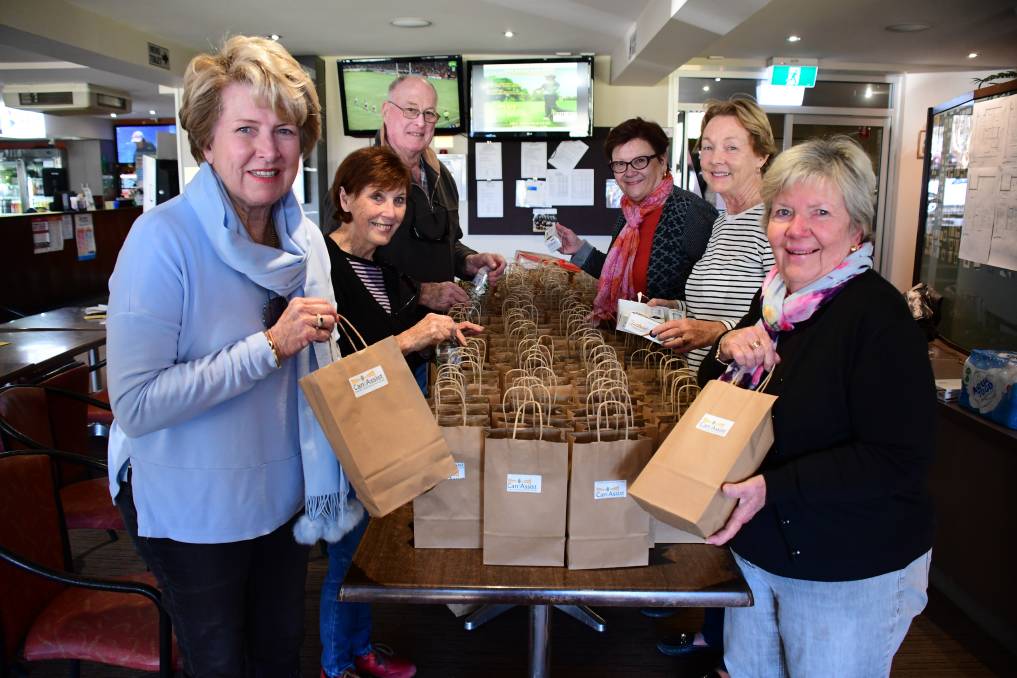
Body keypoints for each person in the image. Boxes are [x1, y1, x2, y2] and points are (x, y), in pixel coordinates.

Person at [106, 36, 352, 677]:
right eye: (245, 129)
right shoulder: (163, 241)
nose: (268, 151)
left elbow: (316, 373)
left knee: (278, 654)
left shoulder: (305, 242)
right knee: (220, 663)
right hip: (193, 504)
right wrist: (268, 347)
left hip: (284, 490)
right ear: (206, 141)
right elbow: (134, 405)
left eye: (286, 131)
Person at [699, 136, 935, 677]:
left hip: (848, 566)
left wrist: (772, 487)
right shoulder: (774, 303)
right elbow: (713, 392)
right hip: (760, 552)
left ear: (857, 230)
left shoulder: (877, 317)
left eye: (820, 213)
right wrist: (724, 348)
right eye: (783, 212)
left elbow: (899, 459)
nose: (797, 230)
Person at [319, 145, 483, 678]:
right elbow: (342, 373)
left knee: (367, 547)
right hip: (342, 436)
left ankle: (360, 647)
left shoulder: (381, 268)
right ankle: (336, 663)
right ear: (345, 198)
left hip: (383, 427)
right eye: (375, 197)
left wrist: (447, 330)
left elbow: (398, 331)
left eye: (396, 199)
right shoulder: (322, 270)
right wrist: (416, 337)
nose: (389, 211)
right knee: (347, 556)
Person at [650, 97, 778, 371]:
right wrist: (676, 309)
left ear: (761, 155)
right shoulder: (722, 222)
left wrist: (715, 332)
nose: (715, 159)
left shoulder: (776, 224)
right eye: (707, 147)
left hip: (743, 388)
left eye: (731, 147)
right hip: (704, 380)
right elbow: (721, 308)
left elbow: (788, 320)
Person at [554, 117, 718, 321]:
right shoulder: (629, 212)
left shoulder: (693, 213)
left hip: (675, 349)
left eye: (640, 161)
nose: (629, 172)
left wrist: (673, 315)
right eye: (620, 164)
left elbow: (717, 302)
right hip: (633, 341)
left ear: (662, 160)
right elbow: (623, 274)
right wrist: (579, 249)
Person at [375, 75, 506, 288]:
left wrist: (469, 262)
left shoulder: (441, 174)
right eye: (410, 110)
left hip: (442, 319)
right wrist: (420, 294)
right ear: (386, 111)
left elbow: (448, 244)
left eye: (428, 113)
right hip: (385, 321)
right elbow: (346, 266)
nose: (420, 122)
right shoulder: (360, 177)